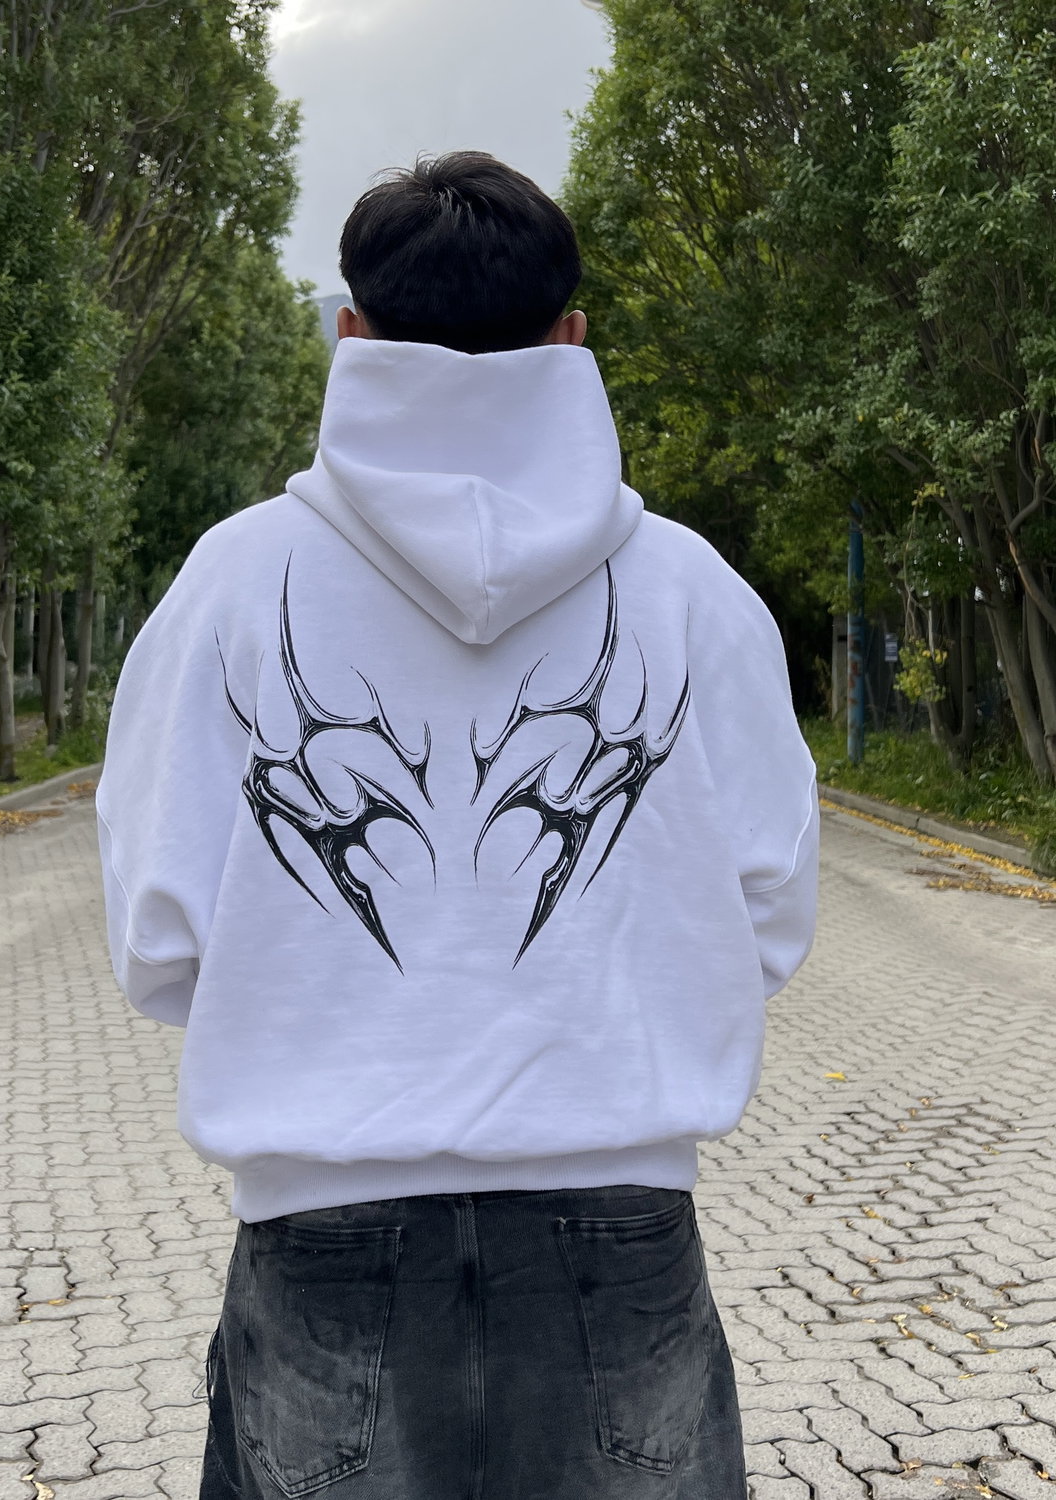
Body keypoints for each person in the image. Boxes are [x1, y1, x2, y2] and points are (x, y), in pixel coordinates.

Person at [96, 151, 819, 1500]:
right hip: (620, 1230)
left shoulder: (230, 587)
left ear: (350, 334)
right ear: (572, 338)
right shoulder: (694, 593)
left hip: (323, 1230)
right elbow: (769, 915)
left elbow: (159, 941)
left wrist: (336, 1016)